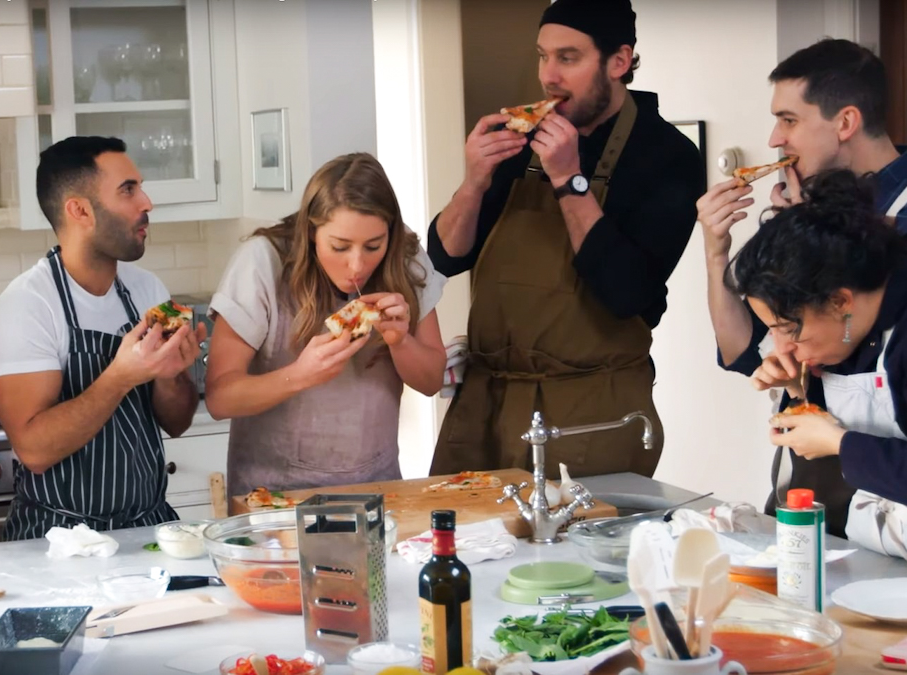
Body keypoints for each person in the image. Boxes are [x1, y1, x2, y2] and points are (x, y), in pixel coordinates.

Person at [427, 0, 702, 478]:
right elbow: (444, 258)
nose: (548, 75)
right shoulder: (522, 139)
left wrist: (569, 179)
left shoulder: (667, 156)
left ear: (619, 61)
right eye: (542, 56)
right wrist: (473, 181)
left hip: (592, 414)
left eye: (568, 58)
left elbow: (628, 294)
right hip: (486, 404)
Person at [698, 38, 907, 536]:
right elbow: (750, 350)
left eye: (788, 120)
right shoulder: (803, 211)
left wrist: (840, 440)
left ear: (845, 122)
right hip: (838, 522)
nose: (774, 139)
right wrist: (715, 251)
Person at [0, 136, 202, 540]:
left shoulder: (147, 291)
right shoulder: (25, 307)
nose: (146, 202)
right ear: (80, 210)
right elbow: (34, 450)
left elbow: (176, 423)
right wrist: (120, 376)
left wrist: (172, 375)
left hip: (149, 529)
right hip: (57, 539)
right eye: (128, 190)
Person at [206, 153, 446, 496]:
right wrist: (301, 375)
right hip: (274, 499)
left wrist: (401, 341)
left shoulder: (405, 259)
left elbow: (432, 380)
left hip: (377, 490)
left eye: (373, 246)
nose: (357, 265)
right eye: (339, 246)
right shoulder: (261, 263)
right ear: (311, 232)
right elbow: (219, 398)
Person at [729, 169, 907, 559]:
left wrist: (839, 444)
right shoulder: (846, 334)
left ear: (841, 302)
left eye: (790, 328)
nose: (782, 345)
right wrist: (798, 390)